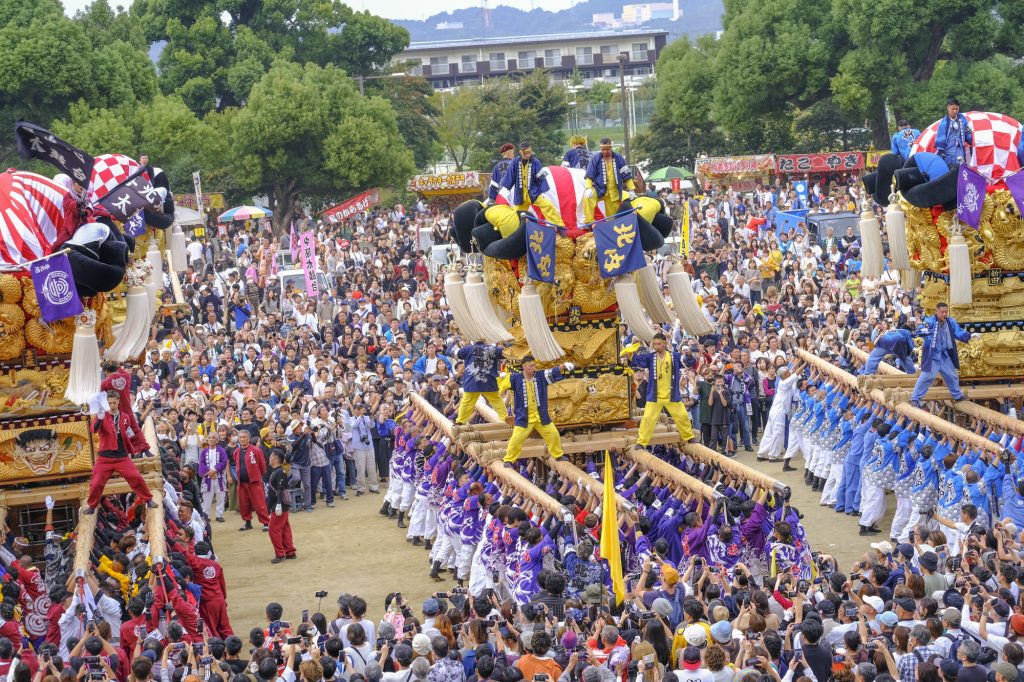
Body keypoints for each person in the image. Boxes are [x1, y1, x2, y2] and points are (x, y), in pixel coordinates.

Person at [85, 390, 156, 515]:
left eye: (114, 402)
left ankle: (148, 499)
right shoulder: (102, 415)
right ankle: (92, 506)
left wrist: (141, 448)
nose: (112, 405)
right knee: (96, 482)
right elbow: (93, 429)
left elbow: (129, 434)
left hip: (122, 456)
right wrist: (100, 419)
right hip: (105, 457)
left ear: (118, 402)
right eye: (109, 403)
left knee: (136, 477)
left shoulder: (125, 417)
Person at [628, 333, 696, 448]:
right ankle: (641, 442)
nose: (656, 346)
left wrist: (689, 354)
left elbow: (689, 363)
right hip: (655, 396)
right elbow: (637, 361)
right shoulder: (650, 357)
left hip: (671, 395)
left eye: (659, 344)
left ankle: (689, 437)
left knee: (682, 416)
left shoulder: (674, 356)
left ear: (665, 344)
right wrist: (632, 350)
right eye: (654, 344)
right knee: (648, 419)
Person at [503, 357, 573, 463]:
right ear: (524, 367)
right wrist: (498, 378)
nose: (533, 367)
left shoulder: (540, 376)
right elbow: (500, 383)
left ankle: (558, 455)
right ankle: (508, 460)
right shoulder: (515, 378)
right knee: (516, 439)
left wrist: (563, 366)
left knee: (553, 434)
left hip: (541, 415)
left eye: (534, 365)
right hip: (524, 417)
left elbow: (552, 372)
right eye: (531, 366)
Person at [910, 303, 978, 407]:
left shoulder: (951, 322)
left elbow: (958, 332)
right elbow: (922, 328)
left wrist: (969, 335)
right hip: (933, 355)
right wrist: (921, 328)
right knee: (927, 376)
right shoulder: (930, 321)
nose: (944, 314)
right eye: (942, 312)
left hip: (944, 355)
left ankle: (957, 396)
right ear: (937, 312)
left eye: (946, 312)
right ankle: (915, 398)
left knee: (952, 375)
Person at [498, 141, 564, 227]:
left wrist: (543, 190)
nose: (528, 155)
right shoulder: (514, 162)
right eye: (526, 153)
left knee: (548, 206)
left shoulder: (535, 162)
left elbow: (541, 177)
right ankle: (514, 230)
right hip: (520, 194)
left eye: (530, 152)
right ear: (521, 152)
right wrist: (506, 189)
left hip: (534, 192)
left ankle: (560, 226)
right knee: (517, 214)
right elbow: (510, 176)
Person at [756, 361, 803, 466]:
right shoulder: (785, 383)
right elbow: (796, 372)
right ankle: (773, 455)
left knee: (769, 433)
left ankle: (761, 454)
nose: (790, 373)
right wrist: (804, 364)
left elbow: (793, 370)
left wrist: (799, 360)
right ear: (785, 375)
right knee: (778, 433)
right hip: (779, 413)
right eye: (788, 372)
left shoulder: (783, 380)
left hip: (774, 411)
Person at [583, 138, 635, 223]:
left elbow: (625, 174)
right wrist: (588, 187)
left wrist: (631, 189)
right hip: (599, 189)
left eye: (607, 149)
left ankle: (611, 226)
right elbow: (590, 174)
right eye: (603, 149)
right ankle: (589, 222)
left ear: (611, 148)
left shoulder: (619, 158)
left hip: (614, 191)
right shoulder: (595, 159)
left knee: (612, 217)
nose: (605, 152)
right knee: (587, 197)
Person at [454, 342, 508, 424]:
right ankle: (505, 418)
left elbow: (457, 353)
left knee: (467, 401)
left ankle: (460, 421)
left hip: (472, 381)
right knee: (496, 400)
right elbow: (505, 353)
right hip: (488, 380)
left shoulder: (468, 348)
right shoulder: (492, 349)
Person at [233, 429, 270, 532]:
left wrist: (257, 476)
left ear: (249, 438)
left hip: (255, 481)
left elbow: (263, 466)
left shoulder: (256, 450)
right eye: (240, 437)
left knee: (260, 504)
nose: (242, 439)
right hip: (242, 482)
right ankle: (247, 523)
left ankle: (266, 523)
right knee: (244, 504)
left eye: (244, 437)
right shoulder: (236, 451)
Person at [266, 450, 297, 563]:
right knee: (284, 528)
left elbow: (280, 489)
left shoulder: (279, 472)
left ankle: (280, 554)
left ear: (276, 459)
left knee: (274, 529)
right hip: (280, 505)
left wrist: (278, 504)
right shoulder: (278, 471)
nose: (269, 458)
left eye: (271, 456)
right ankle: (290, 551)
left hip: (279, 505)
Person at [935, 98, 973, 166]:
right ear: (948, 108)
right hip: (948, 152)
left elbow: (967, 132)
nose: (955, 111)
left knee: (961, 170)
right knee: (949, 171)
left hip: (960, 151)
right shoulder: (944, 123)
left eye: (957, 109)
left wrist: (972, 141)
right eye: (953, 109)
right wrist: (941, 152)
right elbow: (940, 140)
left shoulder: (962, 119)